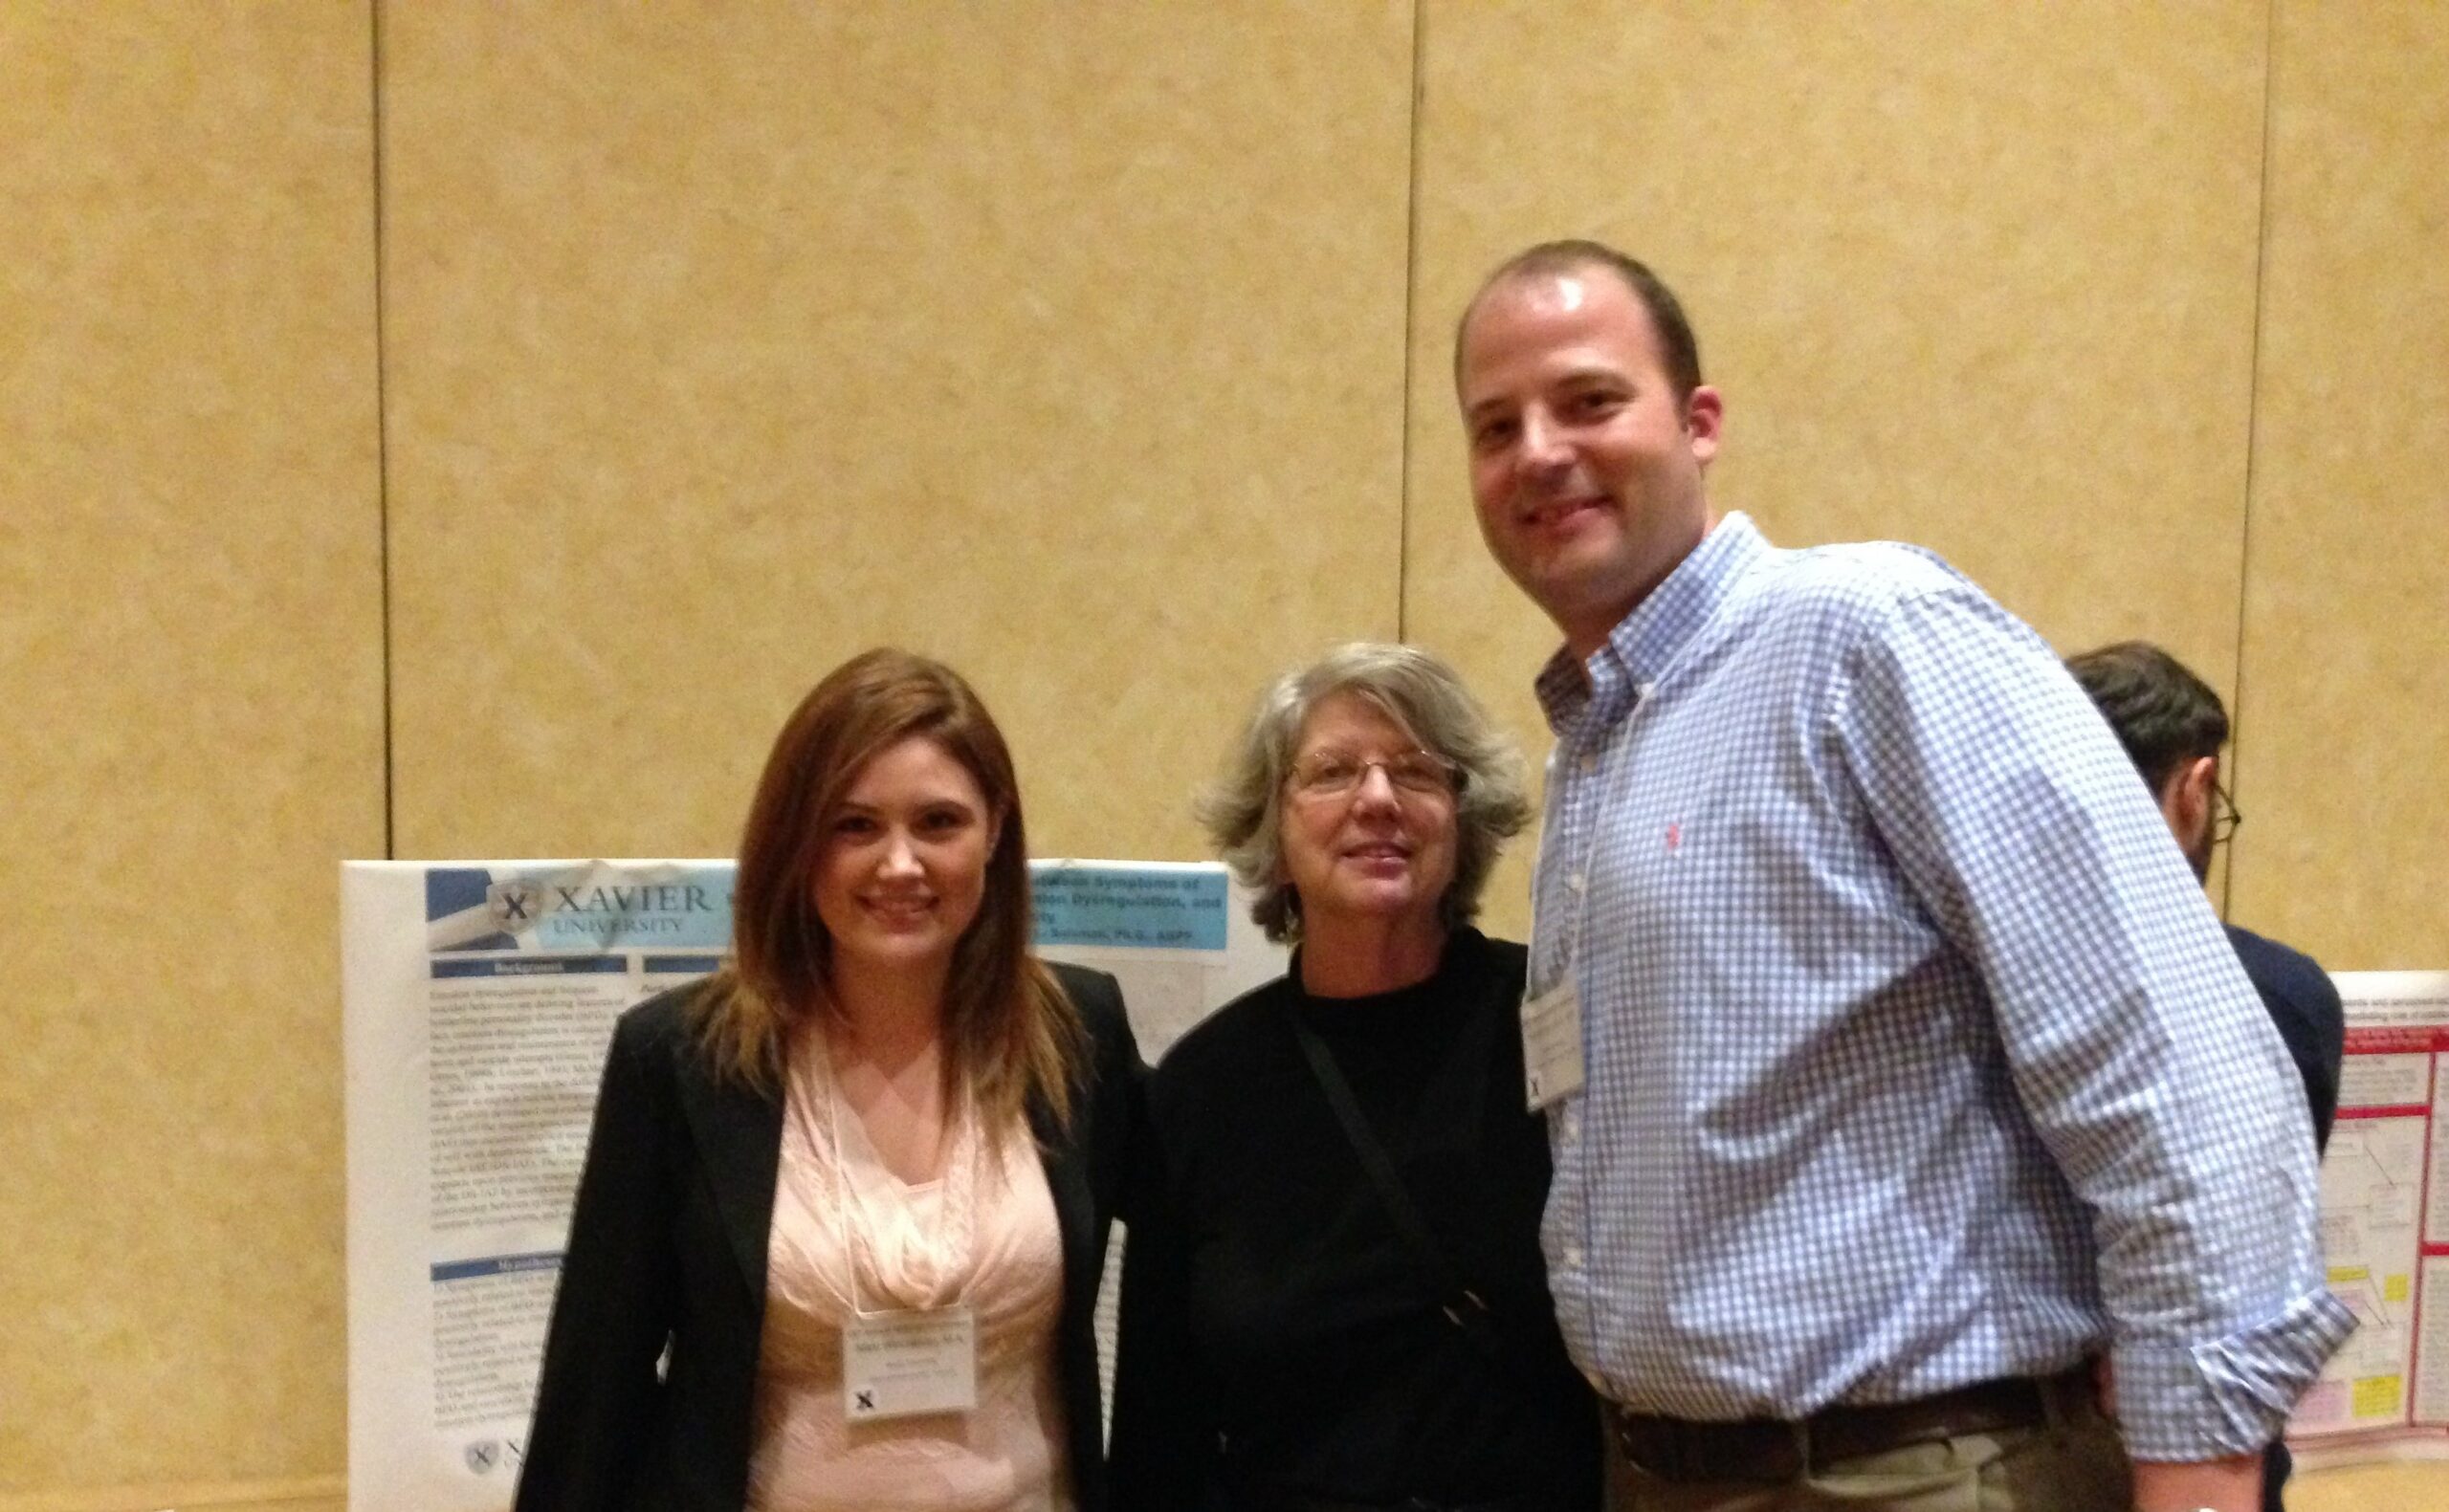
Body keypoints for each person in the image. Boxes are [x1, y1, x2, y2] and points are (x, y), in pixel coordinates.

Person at [1452, 238, 2351, 1512]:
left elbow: (2180, 1073)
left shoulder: (1866, 637)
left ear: (1698, 422)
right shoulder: (1601, 747)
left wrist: (2201, 1480)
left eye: (1590, 400)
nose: (1539, 450)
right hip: (1662, 1473)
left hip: (1917, 1472)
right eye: (1496, 426)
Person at [516, 648, 1141, 1512]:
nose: (899, 865)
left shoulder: (1077, 1033)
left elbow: (1212, 1264)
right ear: (797, 843)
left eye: (938, 822)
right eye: (854, 826)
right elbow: (597, 1386)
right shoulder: (681, 1060)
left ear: (995, 829)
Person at [1109, 642, 1603, 1512]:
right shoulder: (1201, 1090)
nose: (1378, 799)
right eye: (1333, 772)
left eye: (1416, 771)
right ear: (1273, 824)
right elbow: (1162, 1432)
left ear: (1461, 813)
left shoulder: (1560, 1022)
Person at [2068, 638, 2347, 1512]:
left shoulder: (1966, 987)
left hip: (1996, 1452)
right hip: (2202, 1452)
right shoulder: (2276, 998)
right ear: (2195, 792)